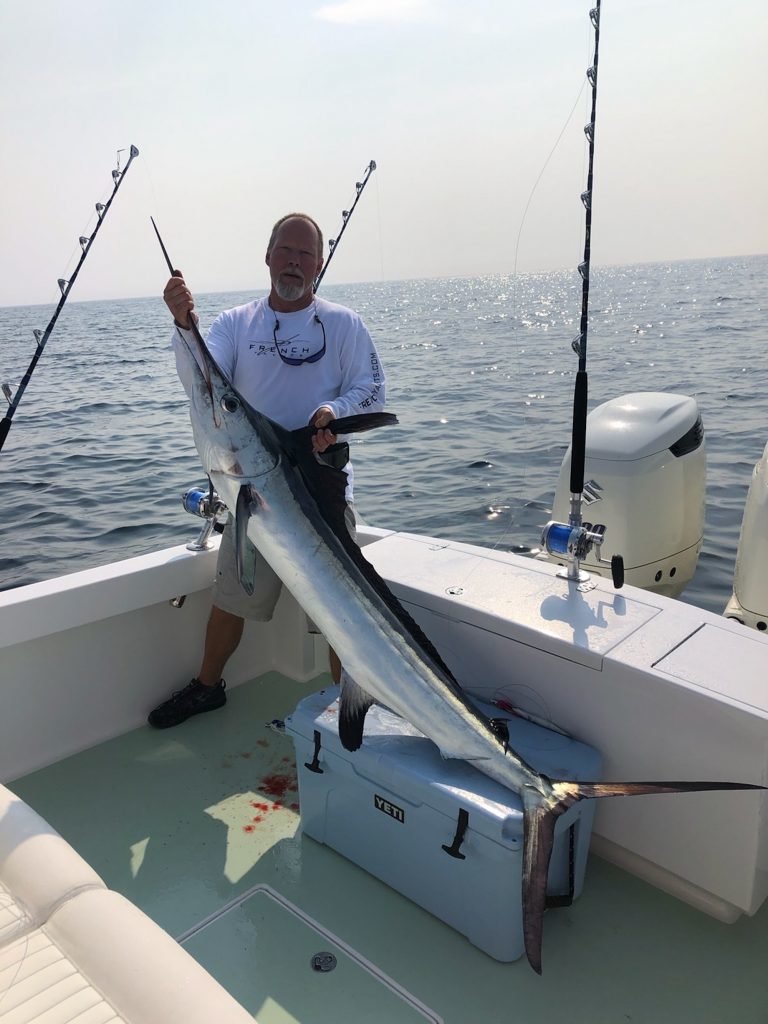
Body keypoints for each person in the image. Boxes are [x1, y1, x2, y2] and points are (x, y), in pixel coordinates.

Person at [148, 212, 386, 729]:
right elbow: (204, 383)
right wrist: (184, 325)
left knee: (340, 618)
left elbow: (371, 392)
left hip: (320, 494)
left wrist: (333, 414)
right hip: (251, 495)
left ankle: (348, 707)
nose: (294, 262)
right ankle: (207, 686)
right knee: (230, 598)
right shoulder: (235, 324)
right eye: (286, 250)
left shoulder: (345, 324)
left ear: (319, 264)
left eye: (305, 254)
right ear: (268, 255)